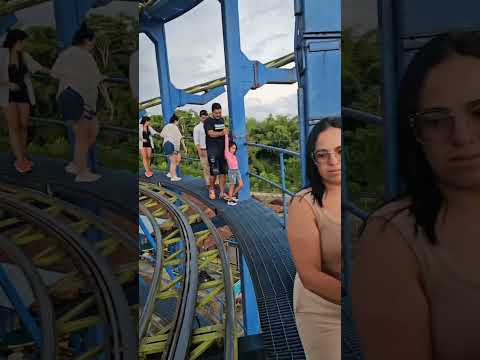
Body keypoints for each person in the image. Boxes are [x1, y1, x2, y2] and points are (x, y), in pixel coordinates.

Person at [351, 31, 480, 360]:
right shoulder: (393, 238)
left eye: (479, 111)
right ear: (416, 133)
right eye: (437, 121)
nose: (462, 137)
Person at [287, 118, 341, 360]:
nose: (333, 161)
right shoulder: (304, 203)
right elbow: (310, 275)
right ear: (313, 160)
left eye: (341, 151)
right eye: (323, 154)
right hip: (323, 305)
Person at [51, 23, 104, 182]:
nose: (94, 44)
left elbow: (54, 73)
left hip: (68, 96)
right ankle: (82, 173)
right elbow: (96, 78)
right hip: (78, 98)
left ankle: (76, 164)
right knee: (83, 135)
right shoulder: (85, 55)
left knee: (91, 130)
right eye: (93, 40)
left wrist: (71, 76)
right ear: (87, 40)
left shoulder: (67, 53)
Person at [0, 29, 47, 173]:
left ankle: (23, 154)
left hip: (23, 94)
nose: (25, 44)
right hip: (7, 94)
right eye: (23, 41)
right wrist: (8, 84)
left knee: (24, 125)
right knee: (13, 127)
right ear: (16, 41)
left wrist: (59, 73)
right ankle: (20, 160)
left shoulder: (24, 56)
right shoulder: (1, 54)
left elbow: (39, 68)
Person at [204, 102, 228, 200]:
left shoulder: (222, 120)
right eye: (216, 113)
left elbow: (225, 134)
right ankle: (212, 189)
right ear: (212, 112)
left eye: (219, 112)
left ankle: (222, 192)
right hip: (212, 150)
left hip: (222, 150)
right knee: (214, 172)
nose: (218, 115)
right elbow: (211, 134)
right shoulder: (207, 121)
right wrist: (222, 132)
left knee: (223, 172)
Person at [160, 114, 186, 181]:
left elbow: (161, 135)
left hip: (166, 144)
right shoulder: (175, 127)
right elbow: (179, 138)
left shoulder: (167, 126)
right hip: (172, 144)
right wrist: (178, 149)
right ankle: (173, 177)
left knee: (174, 160)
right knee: (173, 162)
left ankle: (170, 173)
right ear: (175, 121)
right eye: (177, 121)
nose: (178, 123)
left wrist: (168, 135)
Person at [224, 134, 243, 205]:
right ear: (229, 148)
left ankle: (230, 196)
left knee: (241, 185)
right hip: (232, 171)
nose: (233, 150)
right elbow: (226, 144)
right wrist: (226, 135)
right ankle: (230, 200)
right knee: (232, 185)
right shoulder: (227, 154)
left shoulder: (233, 155)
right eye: (232, 148)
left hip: (237, 170)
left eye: (235, 148)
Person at [193, 109, 210, 186]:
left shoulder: (211, 126)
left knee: (213, 167)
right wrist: (199, 151)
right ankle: (208, 183)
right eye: (202, 117)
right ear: (200, 117)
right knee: (205, 168)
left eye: (205, 117)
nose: (204, 118)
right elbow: (196, 141)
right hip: (203, 150)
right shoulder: (197, 127)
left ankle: (215, 183)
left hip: (212, 149)